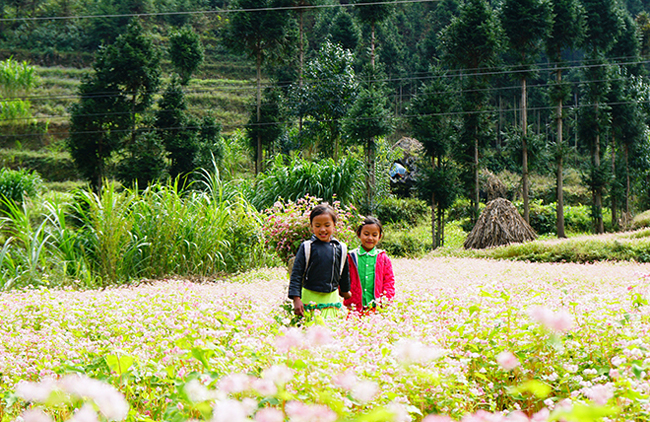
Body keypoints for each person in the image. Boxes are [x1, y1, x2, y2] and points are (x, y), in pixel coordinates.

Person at [288, 203, 352, 319]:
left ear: (334, 225)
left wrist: (345, 290)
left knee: (331, 331)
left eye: (327, 225)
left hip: (332, 299)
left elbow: (343, 272)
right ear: (311, 226)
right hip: (309, 298)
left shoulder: (340, 248)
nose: (322, 229)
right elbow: (296, 274)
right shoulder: (307, 247)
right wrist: (296, 299)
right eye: (317, 226)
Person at [344, 217, 395, 313]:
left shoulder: (383, 259)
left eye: (374, 235)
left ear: (379, 237)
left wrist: (386, 301)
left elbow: (389, 281)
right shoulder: (351, 257)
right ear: (359, 234)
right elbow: (344, 278)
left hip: (377, 308)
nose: (370, 238)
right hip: (354, 307)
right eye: (366, 234)